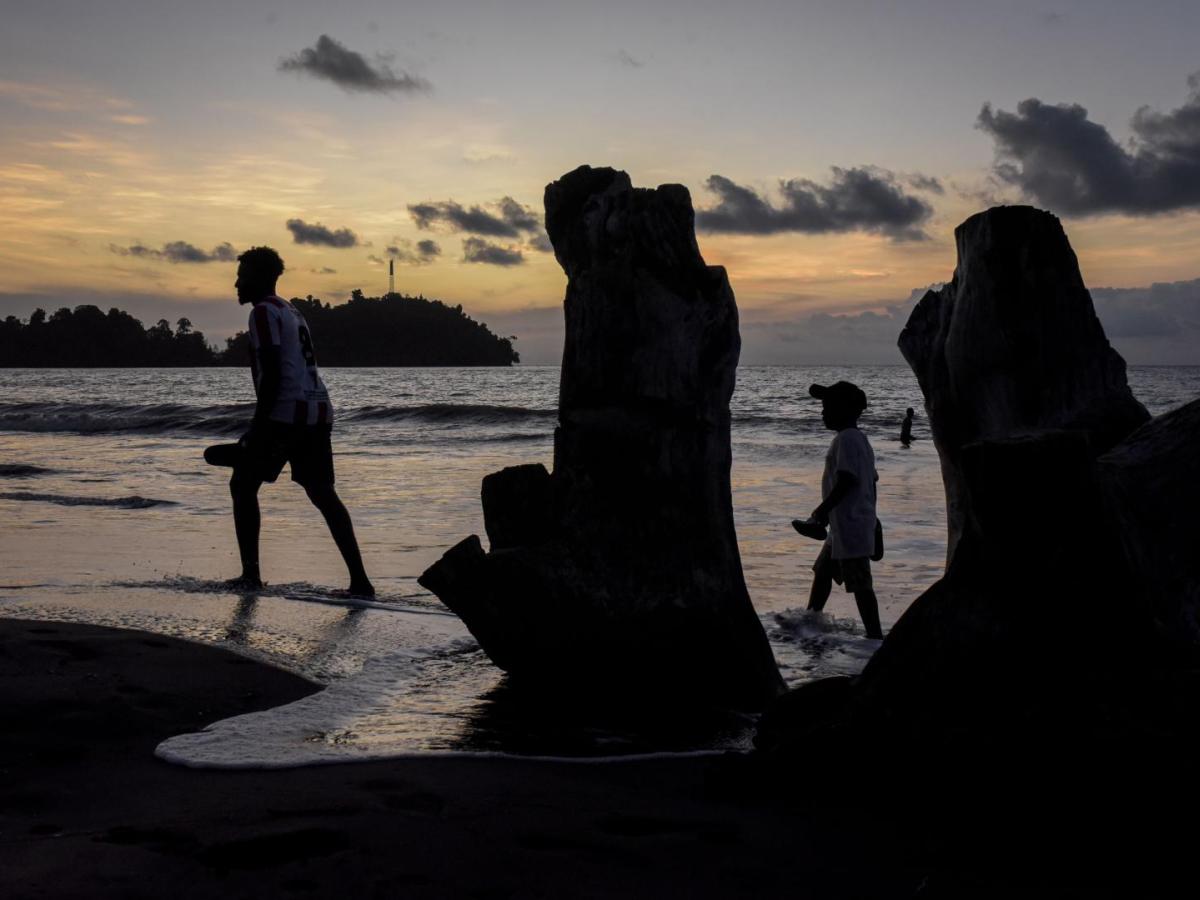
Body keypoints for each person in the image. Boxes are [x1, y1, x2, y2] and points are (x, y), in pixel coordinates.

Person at [220, 246, 374, 596]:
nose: (236, 283)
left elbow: (273, 371)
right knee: (323, 493)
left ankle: (251, 576)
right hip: (318, 411)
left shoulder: (262, 313)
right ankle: (361, 582)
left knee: (242, 485)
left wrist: (258, 427)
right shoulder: (292, 311)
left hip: (285, 414)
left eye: (242, 276)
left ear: (259, 278)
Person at [796, 381, 882, 639]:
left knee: (860, 584)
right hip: (845, 524)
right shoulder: (859, 440)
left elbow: (847, 480)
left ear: (844, 409)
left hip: (851, 523)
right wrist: (874, 519)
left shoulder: (846, 439)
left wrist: (821, 512)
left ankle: (875, 637)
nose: (823, 412)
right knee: (823, 571)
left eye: (828, 407)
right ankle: (810, 619)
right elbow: (872, 482)